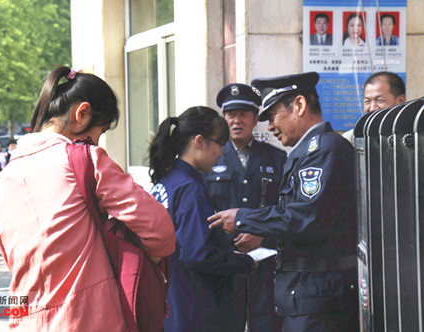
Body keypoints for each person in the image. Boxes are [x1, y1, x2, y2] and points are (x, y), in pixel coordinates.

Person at [0, 66, 176, 331]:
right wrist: (145, 259)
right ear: (81, 114)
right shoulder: (84, 159)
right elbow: (160, 230)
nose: (97, 144)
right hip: (90, 320)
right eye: (99, 133)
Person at [208, 72, 358, 332]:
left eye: (273, 115)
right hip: (307, 294)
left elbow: (304, 219)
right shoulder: (308, 151)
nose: (269, 127)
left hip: (320, 296)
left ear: (298, 106)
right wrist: (263, 235)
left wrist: (244, 218)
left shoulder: (323, 151)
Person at [149, 106, 256, 331]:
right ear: (199, 141)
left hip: (170, 300)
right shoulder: (189, 188)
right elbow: (196, 253)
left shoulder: (168, 181)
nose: (221, 153)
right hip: (192, 304)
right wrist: (244, 261)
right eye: (220, 144)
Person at [205, 84, 286, 332]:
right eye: (231, 114)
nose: (237, 121)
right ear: (224, 119)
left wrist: (263, 235)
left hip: (266, 262)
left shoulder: (277, 158)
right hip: (224, 264)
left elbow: (287, 210)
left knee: (267, 325)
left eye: (244, 114)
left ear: (254, 119)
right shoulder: (209, 157)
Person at [342, 71, 406, 144]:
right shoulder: (351, 139)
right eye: (367, 101)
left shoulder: (415, 135)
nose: (372, 108)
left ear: (400, 101)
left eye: (379, 100)